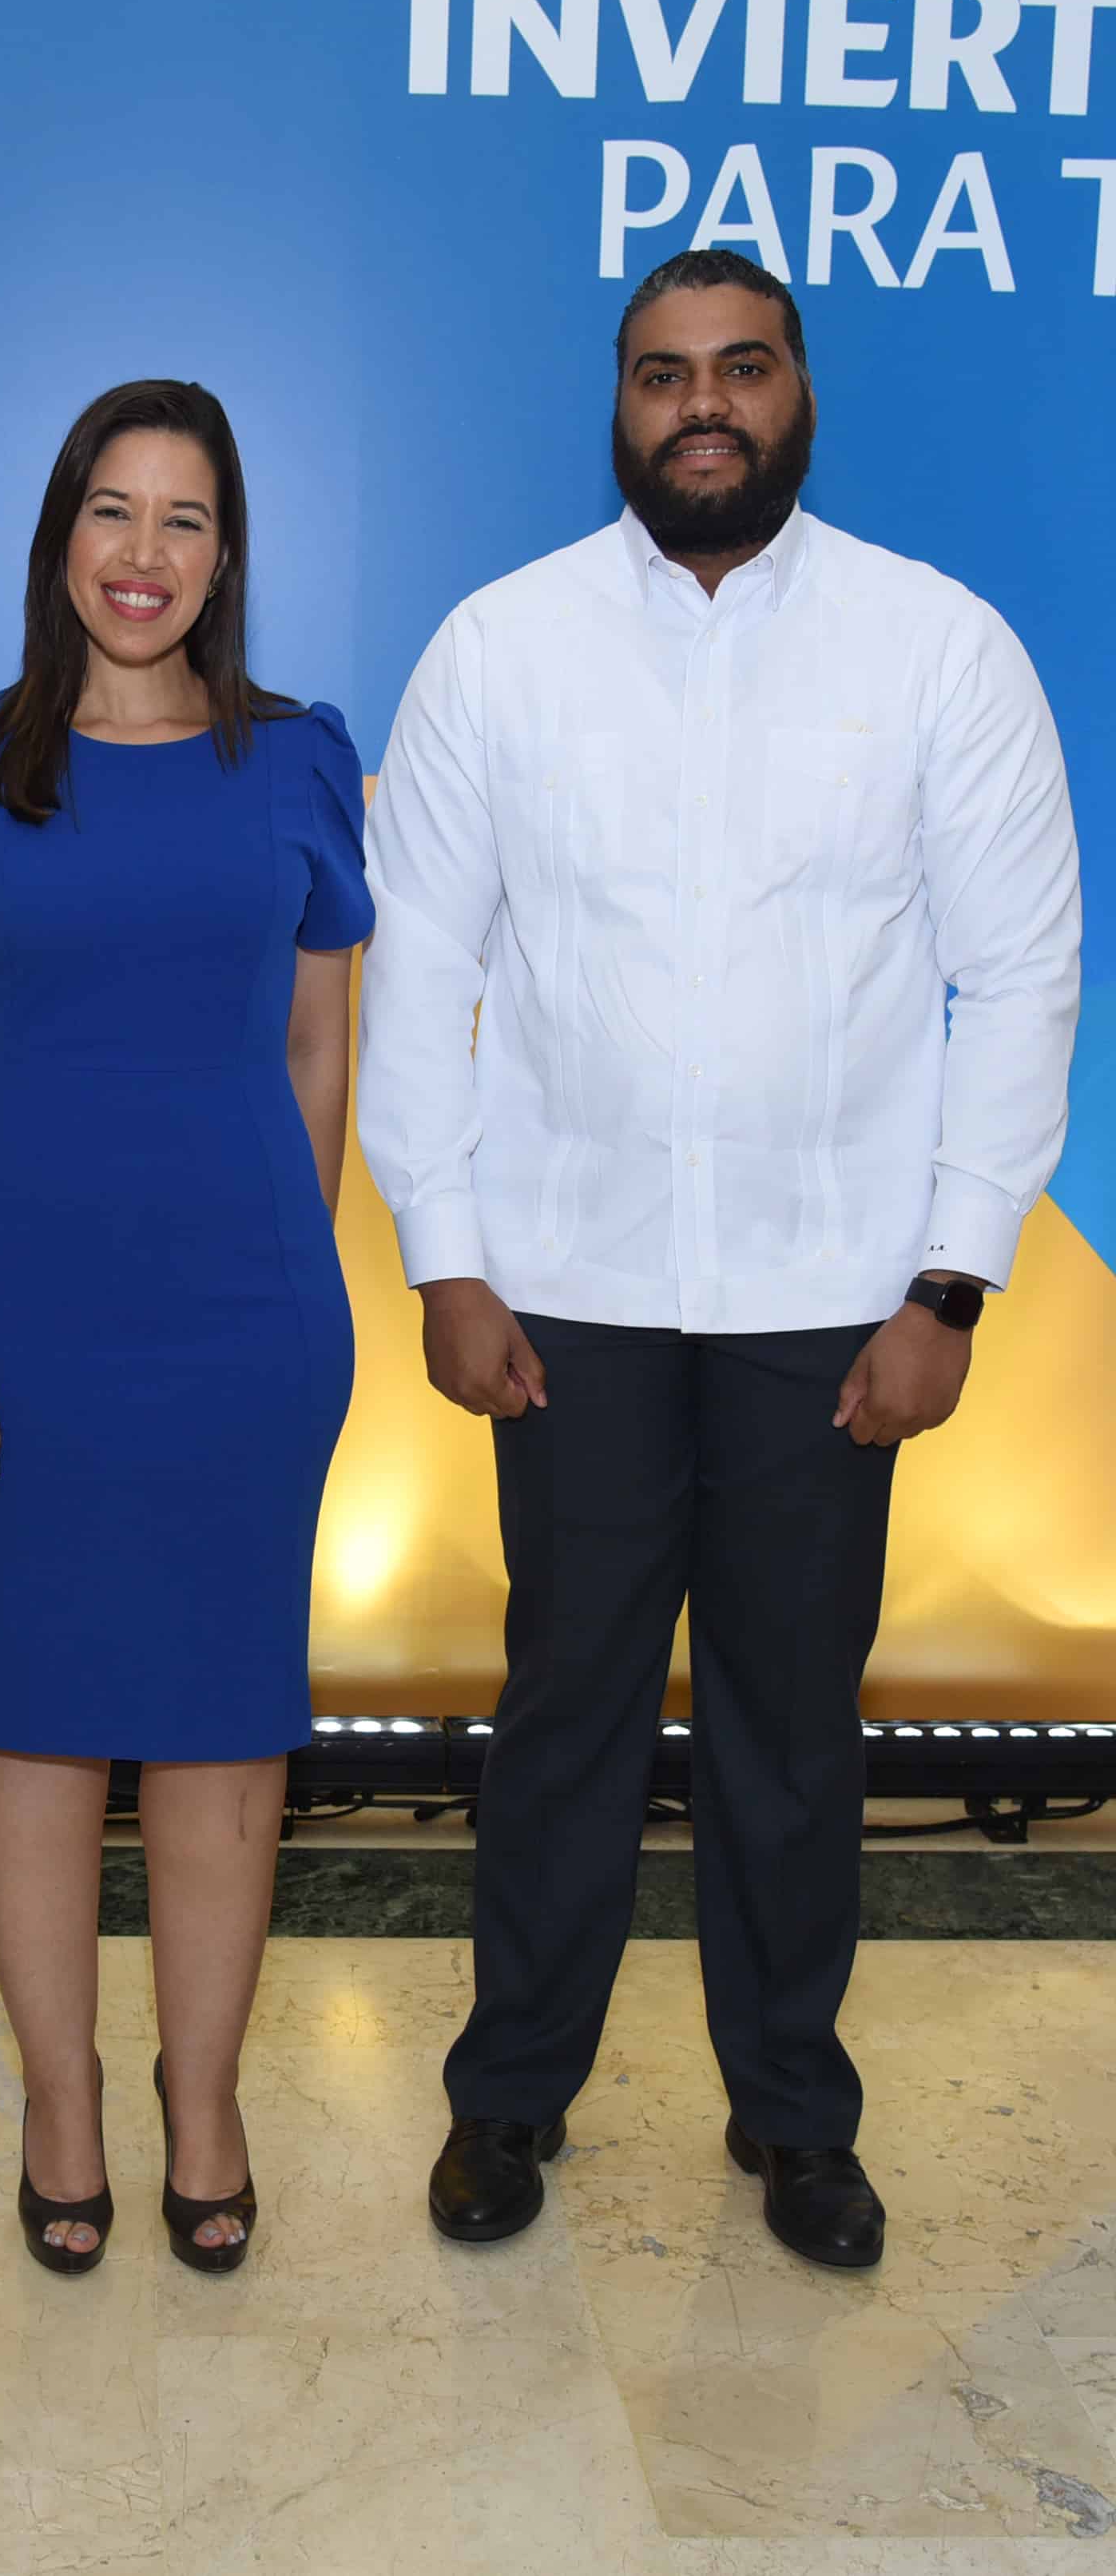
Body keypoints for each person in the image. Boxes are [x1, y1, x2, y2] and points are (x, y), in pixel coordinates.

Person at [358, 248, 1079, 2272]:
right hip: (563, 1297)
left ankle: (796, 2118)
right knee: (562, 1717)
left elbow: (1019, 975)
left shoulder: (939, 649)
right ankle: (511, 2101)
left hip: (829, 1308)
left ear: (799, 394)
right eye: (664, 374)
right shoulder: (502, 649)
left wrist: (952, 1283)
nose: (704, 406)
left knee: (792, 1734)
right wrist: (447, 1255)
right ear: (617, 403)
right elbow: (424, 975)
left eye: (741, 370)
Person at [0, 380, 371, 2277]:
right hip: (19, 1325)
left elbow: (321, 1046)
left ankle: (203, 2100)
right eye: (114, 512)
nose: (145, 556)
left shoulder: (303, 762)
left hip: (243, 1328)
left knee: (231, 1733)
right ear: (60, 533)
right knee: (34, 1723)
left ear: (227, 556)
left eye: (188, 520)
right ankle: (61, 2103)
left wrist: (281, 1276)